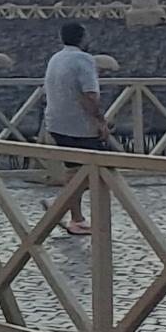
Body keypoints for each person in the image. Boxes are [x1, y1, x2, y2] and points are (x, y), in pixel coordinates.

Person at [42, 23, 108, 237]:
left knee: (74, 170)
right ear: (83, 37)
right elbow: (89, 95)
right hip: (79, 125)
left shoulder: (55, 58)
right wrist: (101, 121)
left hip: (56, 122)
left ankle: (76, 219)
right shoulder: (84, 60)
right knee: (95, 172)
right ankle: (60, 204)